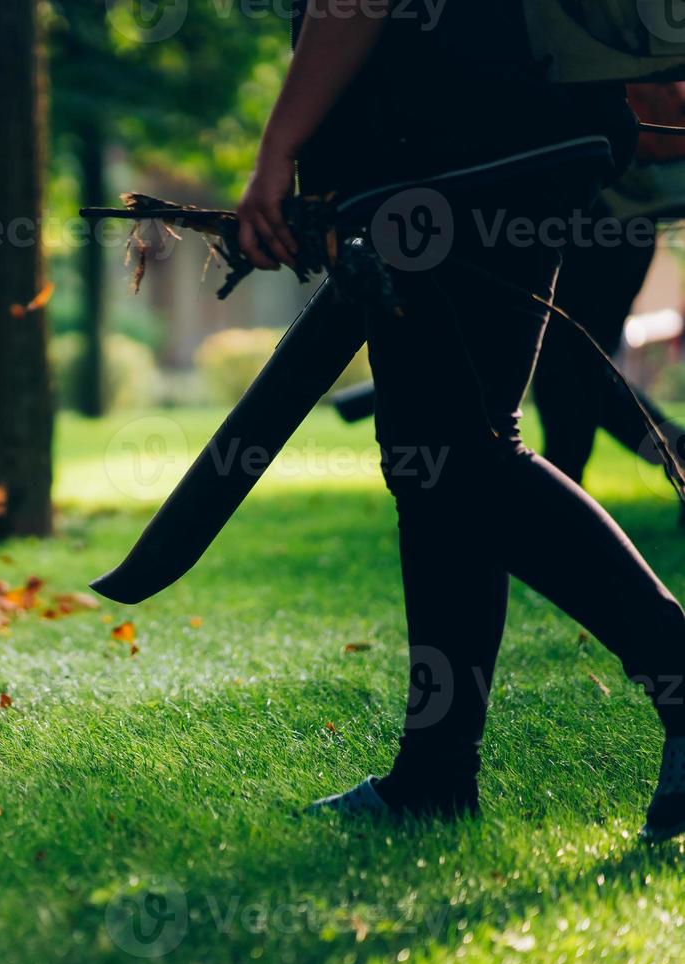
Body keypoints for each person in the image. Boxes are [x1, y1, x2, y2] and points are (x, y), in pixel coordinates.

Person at [237, 1, 685, 840]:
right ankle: (436, 774)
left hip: (448, 151)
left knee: (452, 454)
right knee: (440, 460)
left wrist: (278, 148)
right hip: (521, 138)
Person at [534, 83, 685, 487]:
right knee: (574, 361)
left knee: (568, 359)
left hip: (608, 216)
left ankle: (563, 484)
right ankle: (564, 484)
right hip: (620, 216)